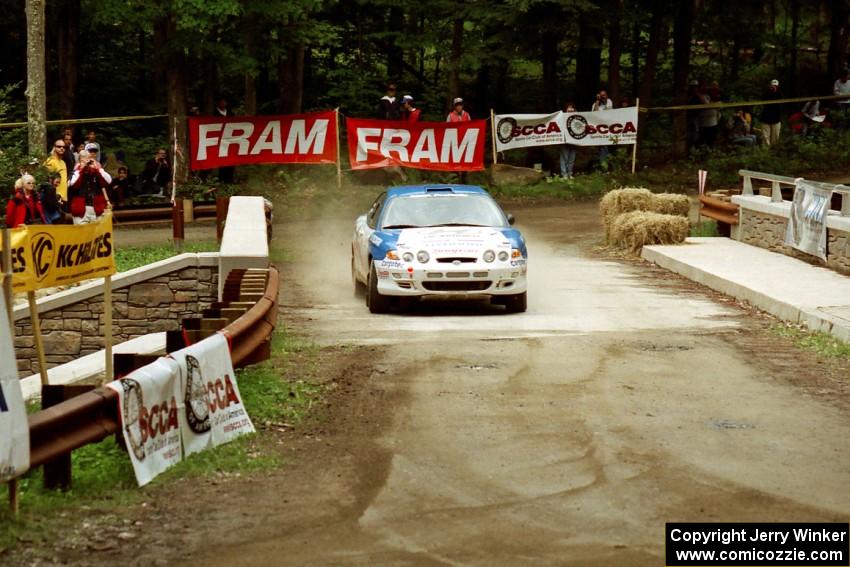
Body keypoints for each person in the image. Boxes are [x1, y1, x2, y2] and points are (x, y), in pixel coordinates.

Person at [68, 150, 111, 224]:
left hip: (96, 209)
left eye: (87, 159)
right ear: (79, 161)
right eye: (83, 160)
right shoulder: (75, 172)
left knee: (97, 234)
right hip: (80, 210)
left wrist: (97, 168)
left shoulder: (96, 172)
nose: (86, 162)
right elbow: (74, 184)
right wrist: (81, 169)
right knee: (80, 233)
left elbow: (108, 181)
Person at [214, 97, 235, 183]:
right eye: (222, 101)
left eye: (225, 101)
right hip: (220, 140)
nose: (223, 103)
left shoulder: (230, 113)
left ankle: (230, 180)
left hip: (230, 139)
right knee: (222, 159)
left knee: (231, 159)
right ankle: (222, 180)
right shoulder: (214, 113)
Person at [760, 79, 783, 145]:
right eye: (773, 86)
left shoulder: (780, 93)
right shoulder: (766, 93)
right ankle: (765, 152)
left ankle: (774, 152)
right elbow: (763, 99)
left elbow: (781, 101)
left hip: (776, 119)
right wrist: (769, 91)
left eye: (776, 86)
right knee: (765, 138)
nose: (774, 87)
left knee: (775, 138)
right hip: (765, 119)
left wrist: (775, 91)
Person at [559, 101, 578, 178]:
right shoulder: (561, 117)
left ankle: (570, 173)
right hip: (564, 140)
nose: (570, 109)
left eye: (572, 107)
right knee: (564, 157)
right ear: (565, 109)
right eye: (569, 108)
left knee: (572, 158)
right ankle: (564, 174)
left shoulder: (577, 117)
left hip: (574, 140)